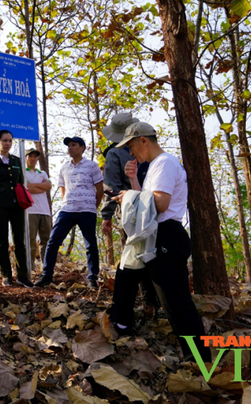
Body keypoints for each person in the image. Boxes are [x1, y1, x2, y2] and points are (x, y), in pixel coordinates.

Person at [111, 122, 211, 363]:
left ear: (143, 140)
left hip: (166, 234)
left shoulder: (165, 163)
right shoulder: (156, 165)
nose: (131, 153)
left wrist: (129, 196)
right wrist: (134, 182)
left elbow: (161, 203)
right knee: (126, 274)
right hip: (153, 233)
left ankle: (200, 359)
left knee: (176, 302)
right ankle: (121, 326)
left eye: (132, 146)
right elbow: (147, 203)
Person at [100, 112, 158, 310]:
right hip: (154, 206)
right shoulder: (148, 148)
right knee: (153, 251)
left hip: (131, 210)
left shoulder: (113, 153)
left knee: (134, 255)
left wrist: (107, 215)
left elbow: (111, 186)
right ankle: (154, 299)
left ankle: (143, 301)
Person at [34, 137, 104, 289]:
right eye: (69, 145)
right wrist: (67, 201)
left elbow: (100, 189)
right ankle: (46, 276)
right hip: (67, 210)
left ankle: (92, 278)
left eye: (74, 145)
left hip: (87, 211)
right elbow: (62, 189)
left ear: (82, 147)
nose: (70, 148)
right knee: (53, 242)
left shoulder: (92, 166)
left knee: (90, 245)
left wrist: (93, 206)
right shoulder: (64, 167)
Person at [0, 130, 33, 288]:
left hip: (17, 205)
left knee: (20, 241)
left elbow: (20, 182)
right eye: (4, 140)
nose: (7, 143)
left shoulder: (17, 161)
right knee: (2, 241)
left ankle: (22, 276)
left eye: (10, 141)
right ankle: (6, 275)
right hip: (0, 205)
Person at [24, 148, 52, 269]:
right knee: (30, 239)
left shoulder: (43, 173)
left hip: (45, 210)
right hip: (30, 210)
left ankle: (45, 267)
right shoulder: (23, 173)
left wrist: (32, 185)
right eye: (30, 156)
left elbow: (49, 185)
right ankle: (29, 267)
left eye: (35, 156)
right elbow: (27, 189)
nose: (33, 159)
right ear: (26, 158)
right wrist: (42, 187)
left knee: (46, 239)